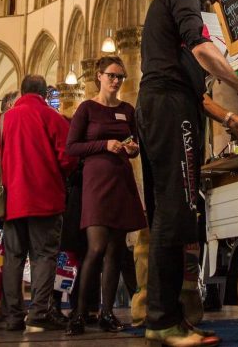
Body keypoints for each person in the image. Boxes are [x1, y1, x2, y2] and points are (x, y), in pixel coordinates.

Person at [137, 0, 238, 346]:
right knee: (175, 211)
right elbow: (203, 50)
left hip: (170, 106)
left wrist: (229, 117)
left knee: (172, 212)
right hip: (169, 109)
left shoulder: (174, 14)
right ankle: (162, 321)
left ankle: (169, 318)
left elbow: (197, 92)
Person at [0, 75, 76, 333]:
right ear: (45, 94)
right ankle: (38, 313)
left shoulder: (2, 121)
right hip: (46, 199)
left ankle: (13, 316)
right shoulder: (52, 118)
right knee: (44, 257)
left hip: (12, 202)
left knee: (12, 258)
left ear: (22, 92)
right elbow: (68, 158)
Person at [65, 56, 145, 335]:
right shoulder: (87, 108)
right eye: (111, 75)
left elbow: (135, 142)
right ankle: (78, 313)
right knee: (96, 248)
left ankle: (107, 313)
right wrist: (104, 144)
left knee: (115, 250)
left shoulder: (127, 109)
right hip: (96, 183)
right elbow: (72, 147)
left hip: (121, 181)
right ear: (98, 76)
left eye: (120, 77)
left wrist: (133, 148)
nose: (116, 81)